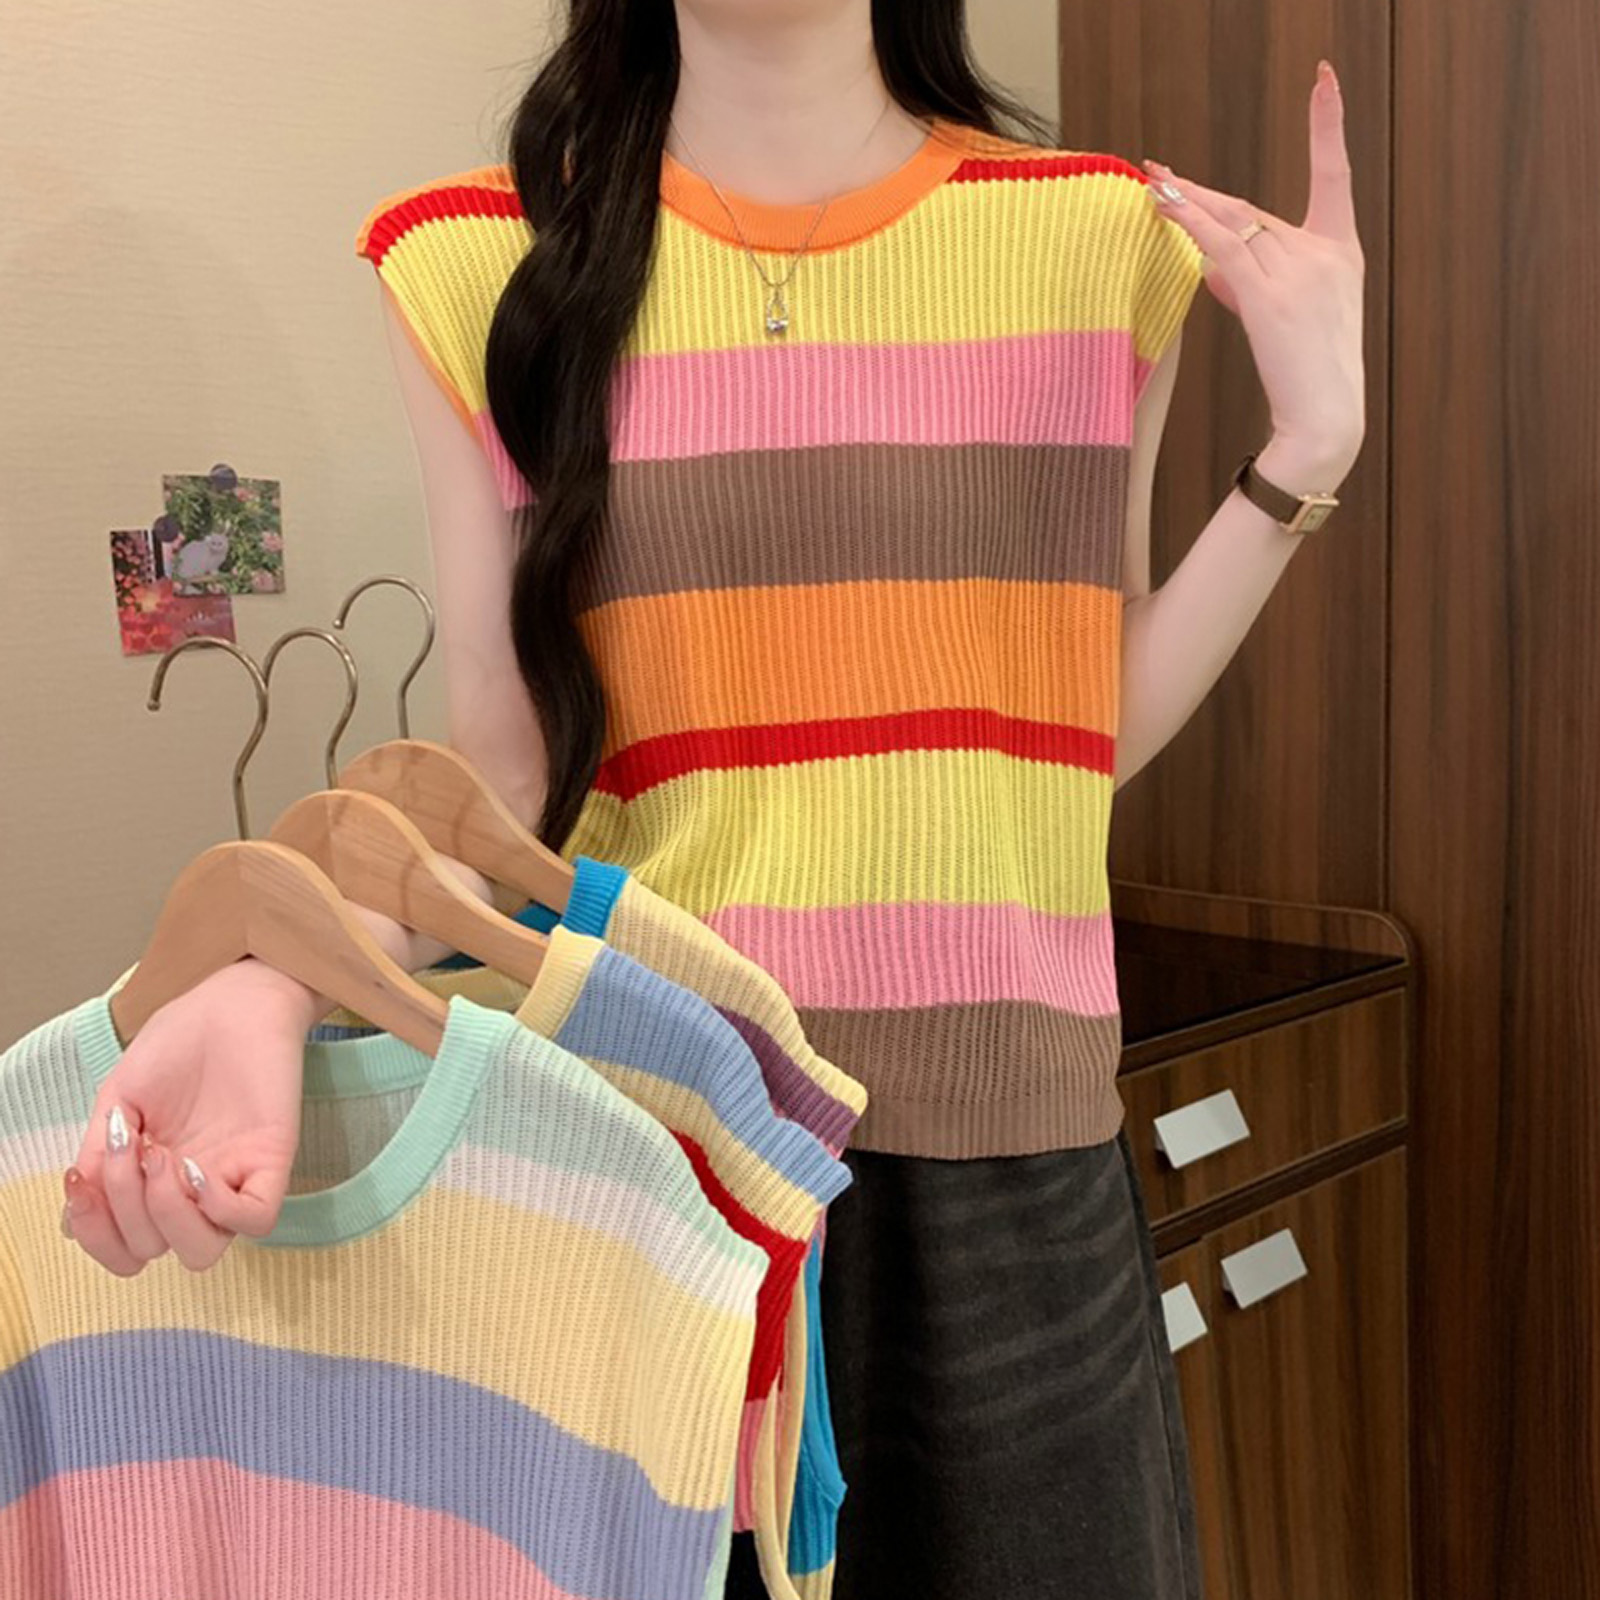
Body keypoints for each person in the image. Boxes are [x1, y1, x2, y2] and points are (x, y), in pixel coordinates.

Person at [59, 4, 1365, 1597]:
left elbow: (1068, 721)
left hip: (1013, 1161)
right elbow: (505, 777)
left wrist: (1309, 446)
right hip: (649, 1171)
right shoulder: (477, 263)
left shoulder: (1090, 237)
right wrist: (281, 970)